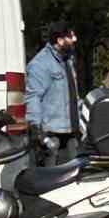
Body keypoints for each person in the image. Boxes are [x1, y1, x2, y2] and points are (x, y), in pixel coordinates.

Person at [25, 21, 81, 165]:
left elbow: (70, 94)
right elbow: (33, 97)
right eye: (70, 36)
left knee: (72, 177)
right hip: (52, 134)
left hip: (71, 131)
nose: (74, 39)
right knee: (51, 179)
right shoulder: (41, 63)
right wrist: (36, 129)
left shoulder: (67, 60)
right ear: (59, 40)